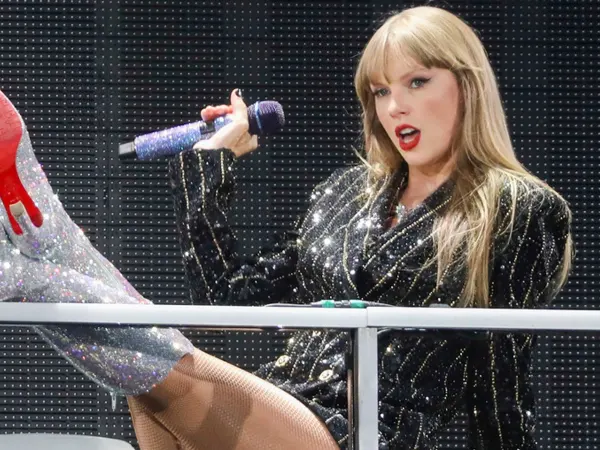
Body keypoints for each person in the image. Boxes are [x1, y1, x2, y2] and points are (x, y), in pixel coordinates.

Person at [0, 5, 572, 450]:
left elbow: (501, 379)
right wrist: (209, 166)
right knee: (142, 349)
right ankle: (32, 221)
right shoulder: (345, 193)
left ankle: (23, 266)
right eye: (380, 91)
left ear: (467, 85)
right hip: (280, 405)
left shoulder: (516, 208)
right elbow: (227, 300)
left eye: (416, 82)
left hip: (363, 433)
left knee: (148, 355)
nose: (394, 107)